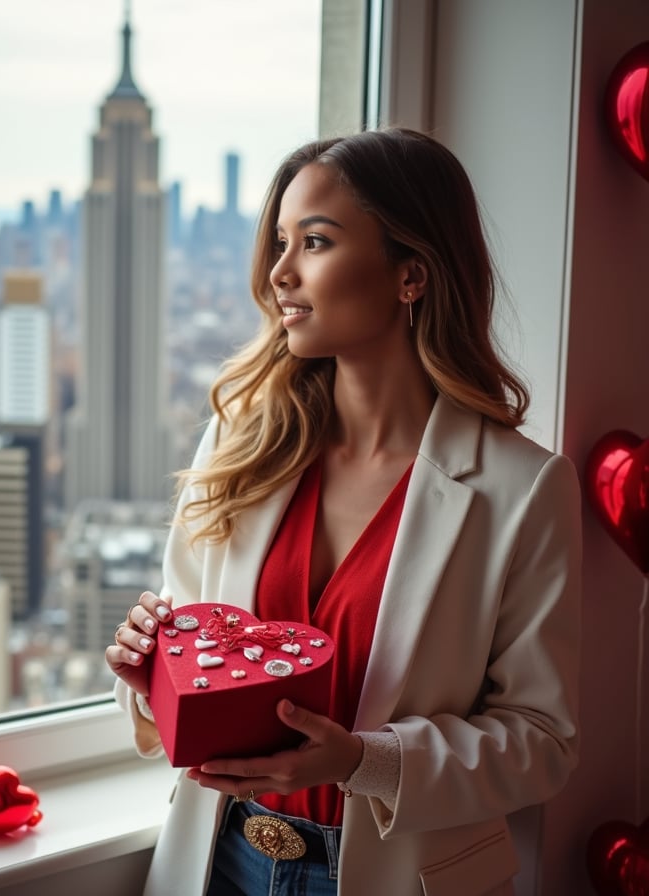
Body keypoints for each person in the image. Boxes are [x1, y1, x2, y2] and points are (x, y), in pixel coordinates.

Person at [105, 127, 581, 896]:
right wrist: (144, 669)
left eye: (315, 243)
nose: (280, 273)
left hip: (394, 876)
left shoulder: (522, 489)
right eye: (281, 243)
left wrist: (365, 761)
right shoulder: (241, 443)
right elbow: (190, 679)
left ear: (411, 275)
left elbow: (542, 743)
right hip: (216, 861)